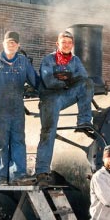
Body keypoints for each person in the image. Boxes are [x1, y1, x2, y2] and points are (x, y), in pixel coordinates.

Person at [0, 30, 40, 185]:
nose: (11, 45)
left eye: (13, 43)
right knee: (1, 143)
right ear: (3, 44)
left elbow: (35, 81)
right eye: (8, 42)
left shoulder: (23, 62)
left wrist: (49, 87)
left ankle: (18, 175)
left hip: (17, 108)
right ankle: (1, 178)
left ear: (18, 45)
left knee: (19, 141)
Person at [36, 30, 95, 182]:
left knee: (87, 84)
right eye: (64, 42)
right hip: (50, 98)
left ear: (73, 45)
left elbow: (83, 78)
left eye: (69, 43)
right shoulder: (48, 60)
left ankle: (84, 120)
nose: (67, 45)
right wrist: (68, 80)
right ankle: (42, 171)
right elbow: (49, 81)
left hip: (66, 95)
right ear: (58, 44)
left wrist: (64, 80)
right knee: (48, 132)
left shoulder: (75, 61)